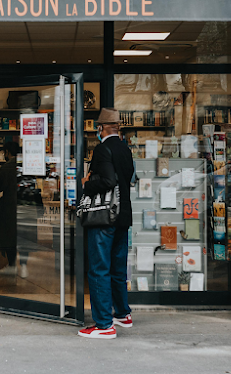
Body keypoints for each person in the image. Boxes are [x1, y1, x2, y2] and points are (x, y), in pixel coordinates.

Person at [78, 108, 134, 339]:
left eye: (98, 128)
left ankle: (103, 325)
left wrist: (86, 183)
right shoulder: (125, 149)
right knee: (117, 268)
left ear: (101, 128)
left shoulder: (103, 149)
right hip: (123, 217)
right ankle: (122, 314)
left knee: (99, 269)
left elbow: (109, 181)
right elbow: (125, 178)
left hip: (105, 218)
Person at [0, 141, 20, 276]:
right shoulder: (24, 166)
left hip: (9, 208)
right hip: (23, 205)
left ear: (7, 152)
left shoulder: (6, 168)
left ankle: (12, 264)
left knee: (9, 236)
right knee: (22, 236)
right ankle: (23, 265)